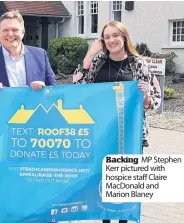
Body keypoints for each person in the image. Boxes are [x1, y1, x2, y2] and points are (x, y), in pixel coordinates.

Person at [73, 21, 161, 223]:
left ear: (124, 38)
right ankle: (105, 217)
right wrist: (89, 54)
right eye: (107, 37)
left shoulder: (138, 64)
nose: (111, 40)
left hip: (130, 131)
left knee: (125, 179)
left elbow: (155, 99)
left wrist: (146, 97)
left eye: (115, 35)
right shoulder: (99, 61)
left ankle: (123, 218)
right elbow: (77, 85)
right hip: (102, 130)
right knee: (103, 177)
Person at [0, 10, 56, 91]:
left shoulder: (40, 56)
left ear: (22, 32)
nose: (10, 34)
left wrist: (44, 88)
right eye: (5, 30)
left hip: (33, 107)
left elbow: (53, 91)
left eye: (15, 30)